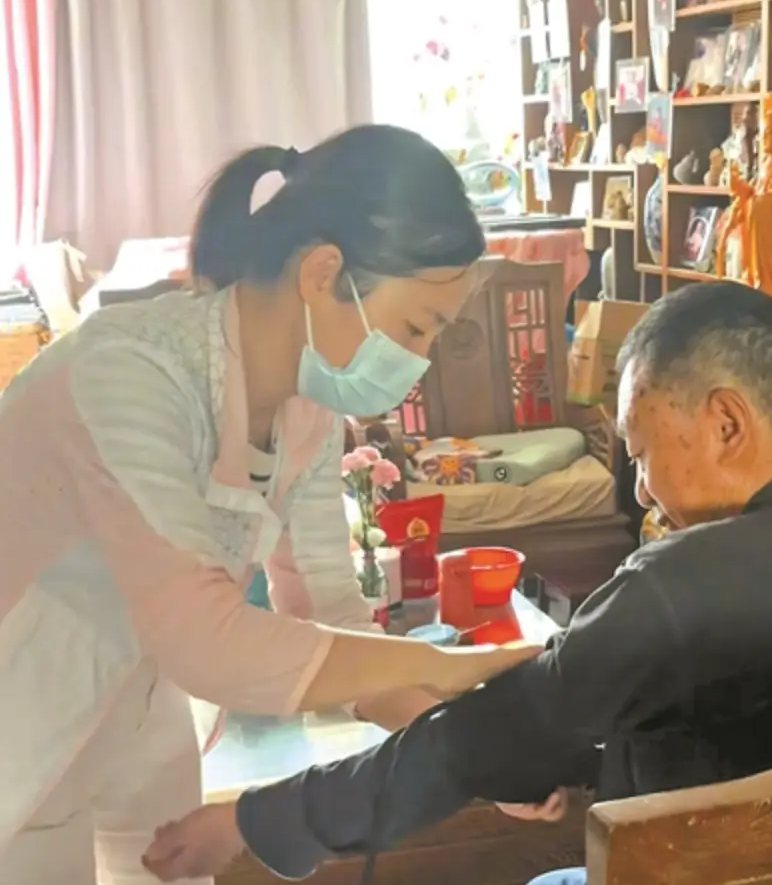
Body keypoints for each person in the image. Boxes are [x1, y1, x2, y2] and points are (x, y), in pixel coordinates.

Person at [0, 124, 544, 885]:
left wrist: (473, 754)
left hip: (139, 697)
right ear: (324, 273)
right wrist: (443, 665)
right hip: (22, 697)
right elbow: (202, 635)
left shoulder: (306, 407)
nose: (417, 362)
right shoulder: (131, 371)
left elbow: (327, 616)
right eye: (415, 327)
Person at [144, 280, 772, 883]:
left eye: (639, 455)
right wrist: (540, 740)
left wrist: (253, 820)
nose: (641, 493)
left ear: (726, 423)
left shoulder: (679, 587)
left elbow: (472, 741)